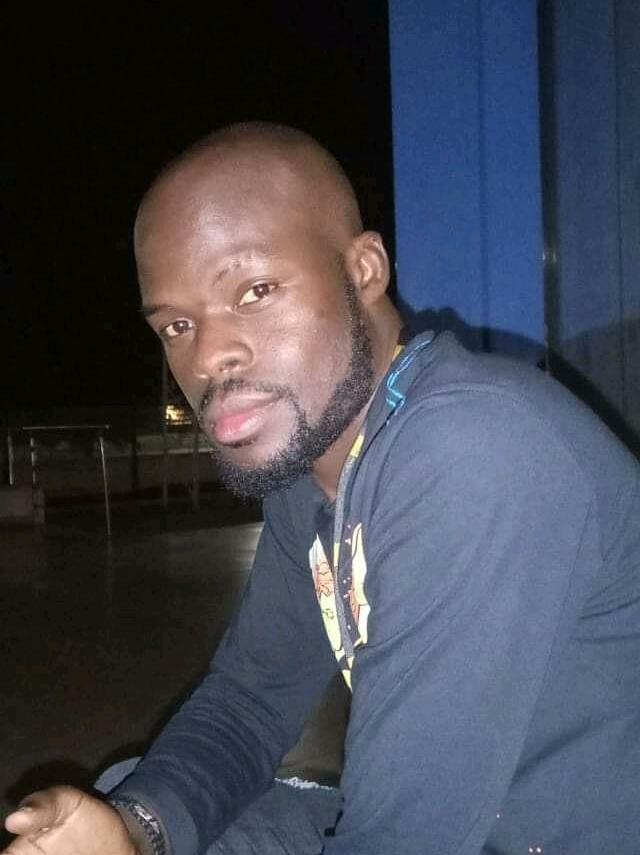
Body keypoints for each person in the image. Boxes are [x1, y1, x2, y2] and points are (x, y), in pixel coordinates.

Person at [4, 122, 640, 855]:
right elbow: (250, 701)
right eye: (176, 325)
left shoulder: (475, 450)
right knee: (130, 806)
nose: (207, 356)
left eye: (255, 290)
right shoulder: (315, 468)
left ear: (363, 270)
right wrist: (135, 830)